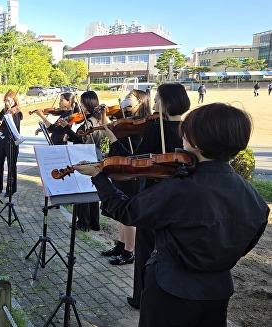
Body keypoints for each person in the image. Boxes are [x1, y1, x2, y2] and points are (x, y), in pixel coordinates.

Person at [73, 103, 268, 327]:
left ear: (195, 141)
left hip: (170, 290)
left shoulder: (180, 188)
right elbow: (247, 240)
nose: (181, 141)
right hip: (218, 291)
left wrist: (98, 176)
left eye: (185, 135)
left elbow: (126, 211)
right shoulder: (253, 197)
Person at [103, 83, 190, 309]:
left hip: (154, 196)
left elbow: (135, 162)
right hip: (182, 199)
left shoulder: (155, 129)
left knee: (145, 249)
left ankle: (141, 297)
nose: (156, 103)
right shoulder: (190, 129)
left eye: (159, 99)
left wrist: (113, 142)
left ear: (168, 102)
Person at [99, 89, 151, 266]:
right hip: (121, 172)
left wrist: (113, 139)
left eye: (130, 97)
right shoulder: (126, 122)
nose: (126, 100)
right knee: (121, 213)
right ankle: (120, 245)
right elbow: (110, 128)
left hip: (132, 176)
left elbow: (132, 157)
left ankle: (129, 252)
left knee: (129, 215)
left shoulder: (141, 127)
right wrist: (104, 114)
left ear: (140, 102)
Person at [60, 90, 104, 231]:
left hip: (86, 156)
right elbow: (80, 137)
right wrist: (70, 136)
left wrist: (66, 128)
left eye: (84, 105)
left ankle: (83, 223)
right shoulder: (96, 119)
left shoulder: (90, 121)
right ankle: (93, 222)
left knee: (83, 190)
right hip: (93, 154)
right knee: (91, 190)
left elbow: (83, 140)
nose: (82, 108)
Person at [0, 90, 23, 197]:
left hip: (12, 142)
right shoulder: (4, 111)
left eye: (8, 101)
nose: (6, 103)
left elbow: (12, 127)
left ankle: (11, 189)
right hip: (2, 141)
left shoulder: (17, 113)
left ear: (14, 101)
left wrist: (3, 123)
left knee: (11, 166)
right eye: (5, 101)